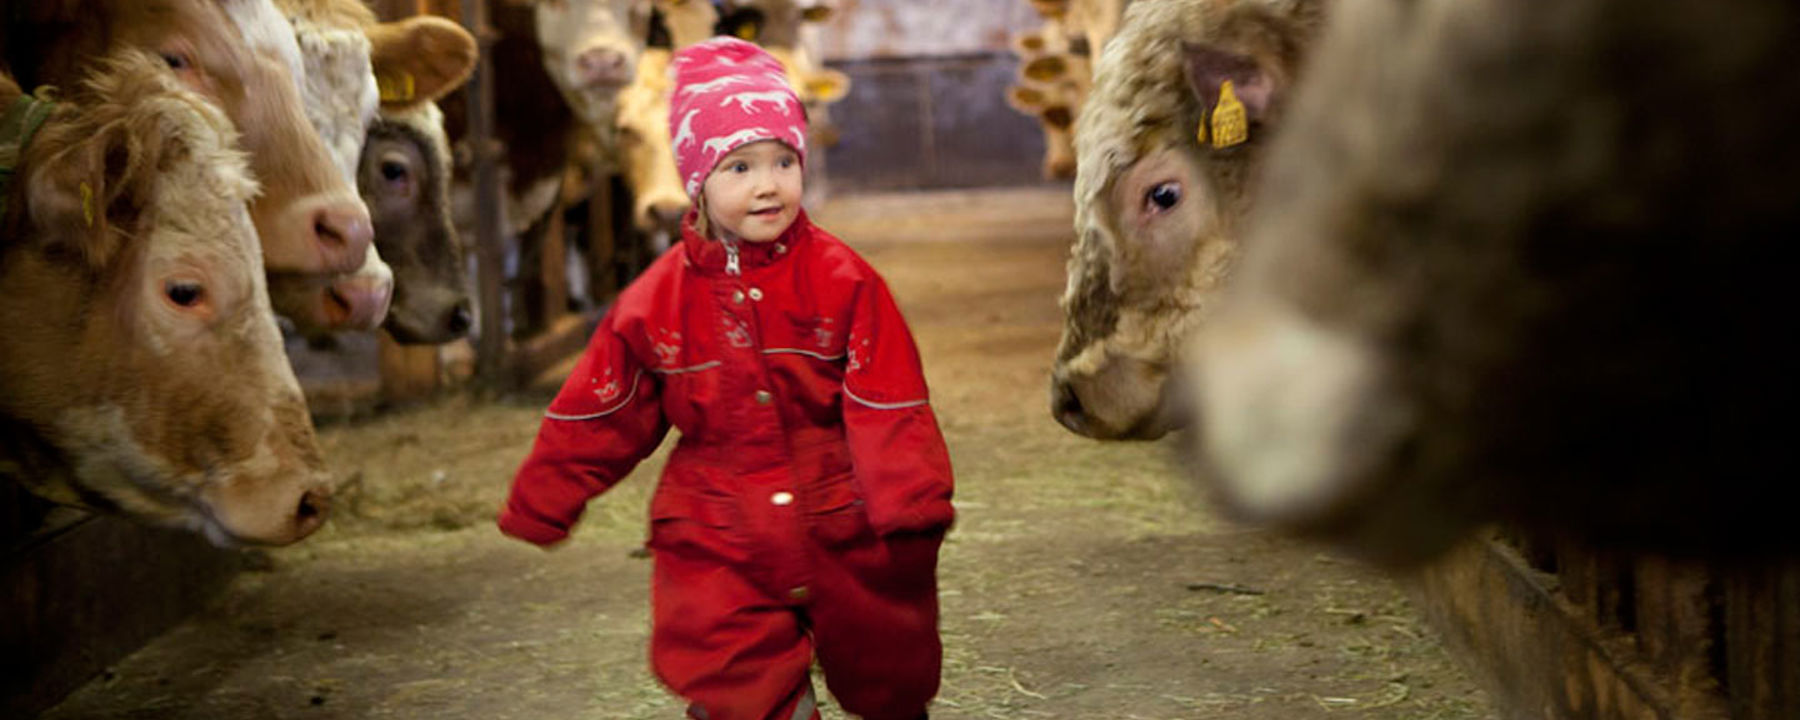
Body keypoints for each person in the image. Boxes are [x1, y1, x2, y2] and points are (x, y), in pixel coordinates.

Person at [497, 36, 954, 720]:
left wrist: (910, 503)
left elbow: (886, 398)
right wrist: (545, 498)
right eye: (739, 165)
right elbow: (604, 404)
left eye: (783, 161)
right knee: (737, 681)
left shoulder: (846, 282)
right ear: (697, 180)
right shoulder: (656, 302)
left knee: (889, 670)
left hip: (842, 520)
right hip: (717, 531)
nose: (768, 183)